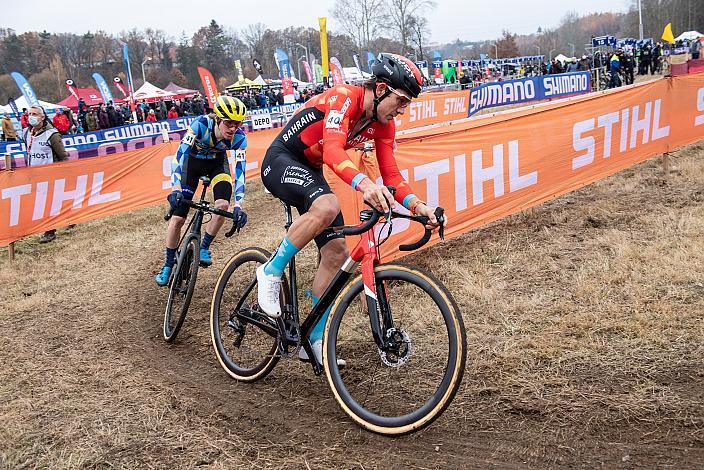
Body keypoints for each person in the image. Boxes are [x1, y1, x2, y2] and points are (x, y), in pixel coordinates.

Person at [256, 53, 442, 365]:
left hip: (310, 169)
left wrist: (419, 206)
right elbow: (331, 150)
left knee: (336, 252)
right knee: (328, 206)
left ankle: (311, 338)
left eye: (407, 103)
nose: (402, 109)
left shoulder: (383, 126)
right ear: (381, 89)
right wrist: (365, 185)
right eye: (401, 100)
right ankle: (270, 270)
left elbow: (392, 176)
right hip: (281, 159)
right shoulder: (345, 98)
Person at [155, 96, 249, 286]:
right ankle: (167, 263)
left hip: (217, 166)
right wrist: (175, 189)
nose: (233, 128)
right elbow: (180, 154)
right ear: (218, 119)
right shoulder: (200, 125)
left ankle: (204, 247)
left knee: (223, 205)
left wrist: (239, 204)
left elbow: (240, 172)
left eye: (237, 124)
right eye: (229, 123)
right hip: (192, 165)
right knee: (178, 218)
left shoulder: (239, 139)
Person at [23, 106, 68, 243]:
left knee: (48, 204)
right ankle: (70, 218)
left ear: (42, 117)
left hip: (51, 175)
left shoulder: (52, 134)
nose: (31, 116)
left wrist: (64, 173)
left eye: (35, 114)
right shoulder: (26, 133)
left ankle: (50, 231)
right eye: (30, 114)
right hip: (35, 175)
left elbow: (63, 156)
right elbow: (30, 152)